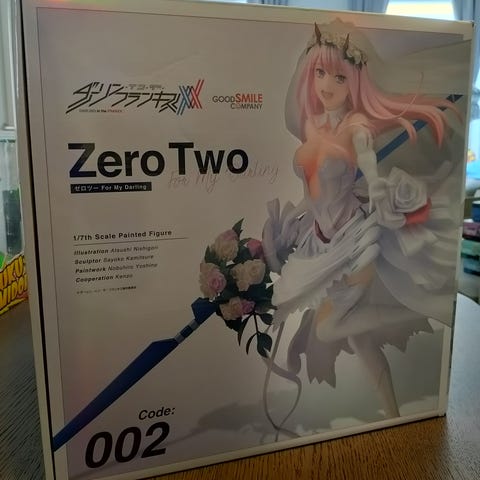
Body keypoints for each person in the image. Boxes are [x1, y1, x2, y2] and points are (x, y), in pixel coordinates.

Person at [262, 20, 462, 418]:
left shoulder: (358, 128)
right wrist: (294, 220)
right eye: (321, 73)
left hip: (356, 242)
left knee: (328, 327)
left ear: (354, 82)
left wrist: (379, 187)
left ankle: (410, 311)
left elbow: (369, 167)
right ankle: (392, 414)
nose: (328, 85)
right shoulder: (311, 124)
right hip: (320, 241)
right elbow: (312, 189)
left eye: (340, 77)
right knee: (359, 340)